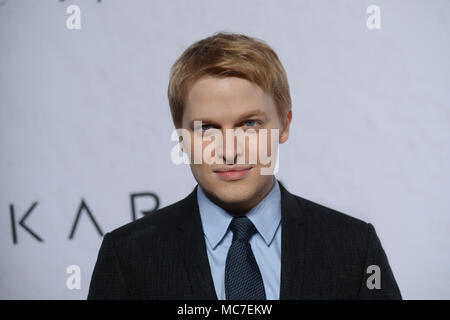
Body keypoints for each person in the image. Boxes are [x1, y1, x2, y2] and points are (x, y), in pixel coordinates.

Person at [87, 32, 401, 300]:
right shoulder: (128, 256)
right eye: (206, 128)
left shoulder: (354, 248)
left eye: (249, 124)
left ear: (284, 125)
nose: (229, 151)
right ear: (180, 137)